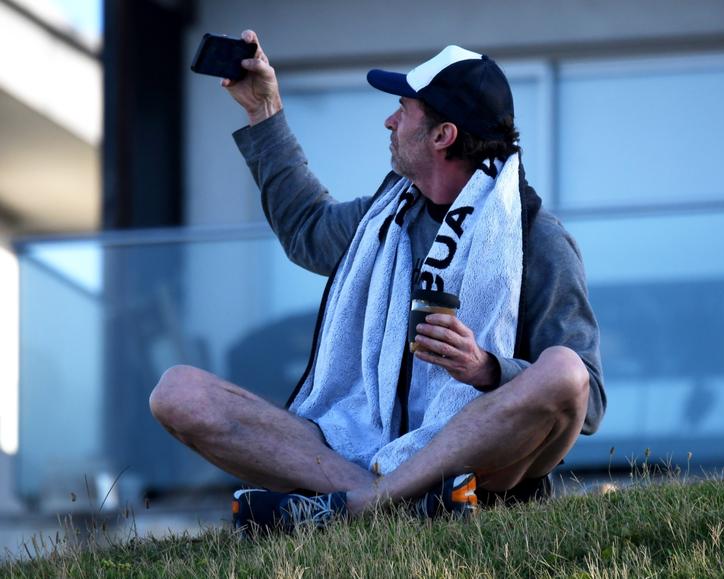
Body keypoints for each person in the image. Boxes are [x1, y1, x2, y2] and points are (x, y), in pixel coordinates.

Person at [149, 30, 605, 533]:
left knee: (563, 369)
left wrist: (486, 368)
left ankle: (361, 504)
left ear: (441, 135)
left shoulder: (536, 238)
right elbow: (307, 229)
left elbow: (586, 398)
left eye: (404, 110)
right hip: (359, 448)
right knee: (178, 393)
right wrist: (264, 111)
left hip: (484, 462)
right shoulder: (383, 220)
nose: (390, 120)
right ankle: (398, 500)